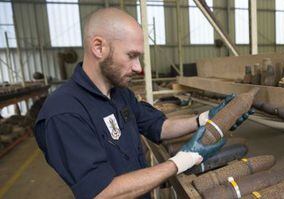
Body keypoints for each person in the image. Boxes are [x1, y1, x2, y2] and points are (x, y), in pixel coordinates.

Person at [34, 7, 253, 199]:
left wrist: (204, 118)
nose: (139, 68)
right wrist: (181, 161)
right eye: (131, 55)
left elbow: (159, 126)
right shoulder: (64, 113)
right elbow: (101, 192)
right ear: (99, 47)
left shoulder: (120, 93)